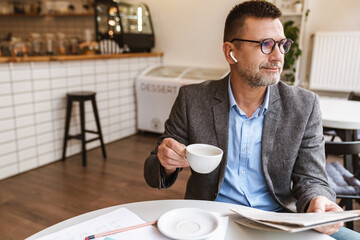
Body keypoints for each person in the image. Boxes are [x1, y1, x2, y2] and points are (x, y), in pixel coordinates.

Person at [144, 1, 360, 239]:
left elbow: (312, 178)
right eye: (266, 45)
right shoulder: (193, 100)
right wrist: (165, 162)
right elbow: (153, 172)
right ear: (230, 52)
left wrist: (318, 200)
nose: (278, 56)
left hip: (277, 219)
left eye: (282, 44)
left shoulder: (303, 106)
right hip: (210, 219)